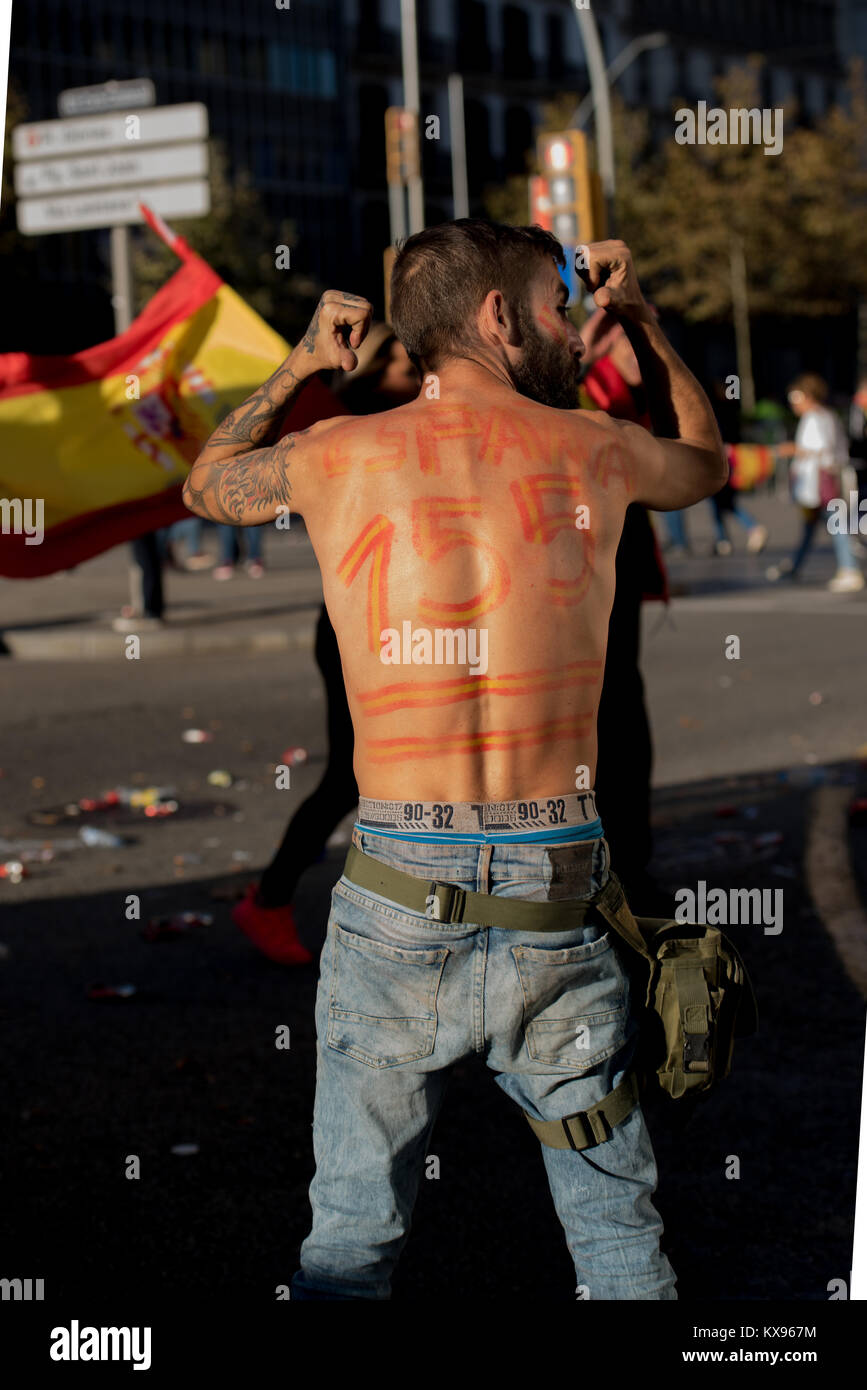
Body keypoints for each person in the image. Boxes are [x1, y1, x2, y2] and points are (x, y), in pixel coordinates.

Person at [183, 224, 728, 1300]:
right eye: (557, 306)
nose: (575, 329)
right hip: (555, 886)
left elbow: (207, 482)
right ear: (497, 318)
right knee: (619, 1243)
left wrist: (298, 362)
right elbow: (708, 460)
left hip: (394, 885)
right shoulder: (595, 448)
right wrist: (653, 325)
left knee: (348, 1244)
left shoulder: (337, 456)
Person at [232, 325, 420, 964]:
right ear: (369, 374)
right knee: (352, 776)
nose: (418, 374)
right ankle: (270, 900)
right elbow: (227, 469)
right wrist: (304, 360)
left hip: (410, 625)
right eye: (402, 362)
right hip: (354, 628)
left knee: (410, 770)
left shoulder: (418, 421)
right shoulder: (342, 428)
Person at [767, 373, 864, 591]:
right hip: (816, 484)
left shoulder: (818, 418)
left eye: (796, 397)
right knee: (811, 526)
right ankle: (796, 565)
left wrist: (793, 450)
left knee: (837, 525)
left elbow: (823, 450)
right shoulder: (819, 416)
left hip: (823, 482)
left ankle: (850, 570)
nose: (793, 403)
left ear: (809, 396)